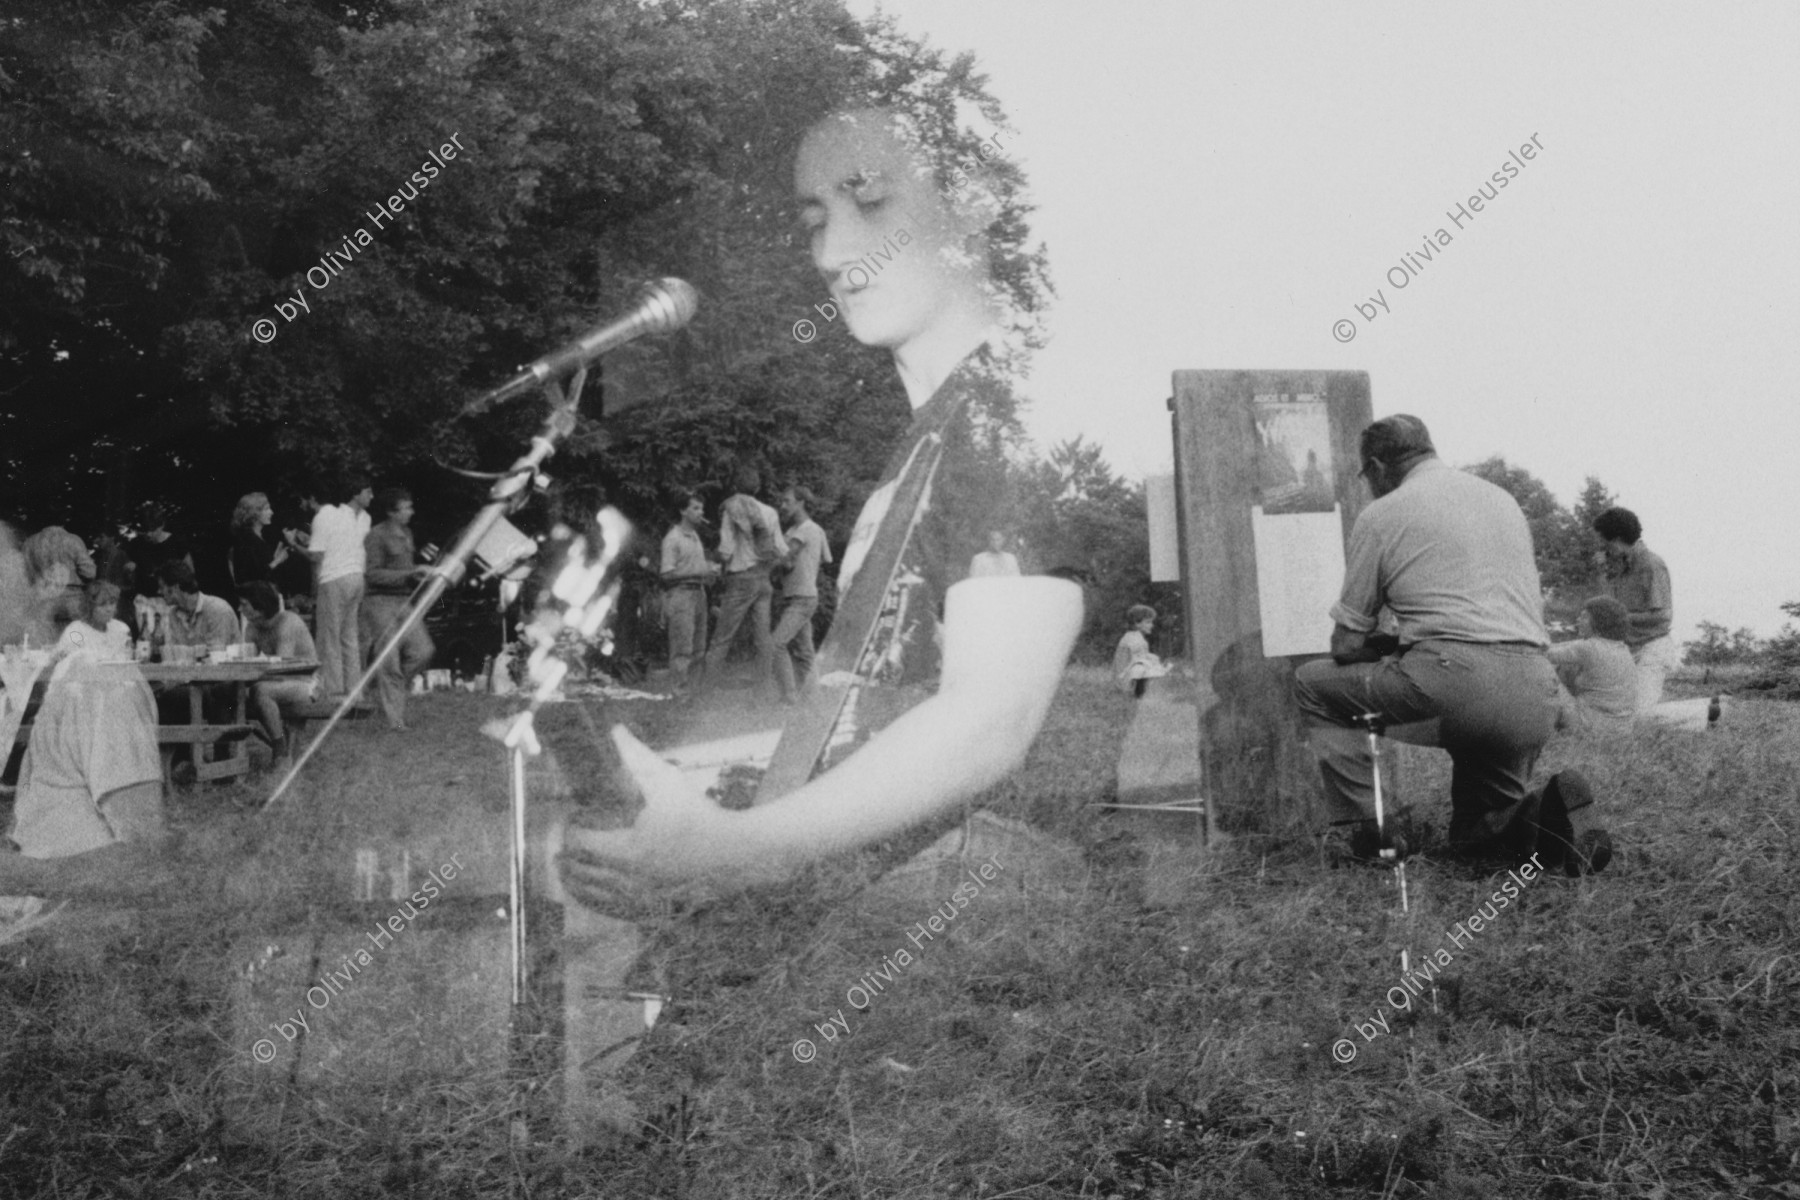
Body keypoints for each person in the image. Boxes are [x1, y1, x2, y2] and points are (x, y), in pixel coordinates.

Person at [559, 105, 1081, 897]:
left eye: (872, 203)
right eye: (814, 223)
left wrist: (740, 848)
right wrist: (713, 785)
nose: (834, 253)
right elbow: (899, 696)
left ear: (969, 202)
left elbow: (993, 719)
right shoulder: (930, 437)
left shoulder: (1001, 417)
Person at [1292, 415, 1611, 875]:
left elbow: (1345, 644)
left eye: (1367, 476)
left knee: (1312, 683)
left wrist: (1388, 648)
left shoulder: (1383, 513)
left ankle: (1373, 827)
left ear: (1378, 466)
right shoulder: (1500, 500)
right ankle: (1552, 815)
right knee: (1479, 835)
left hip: (1453, 684)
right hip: (1534, 690)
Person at [1, 550, 170, 917]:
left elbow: (145, 855)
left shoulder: (99, 682)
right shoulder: (55, 678)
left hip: (74, 922)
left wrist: (17, 876)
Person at [698, 466, 786, 696]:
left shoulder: (732, 508)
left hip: (741, 579)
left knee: (722, 638)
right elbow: (780, 549)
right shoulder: (770, 512)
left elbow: (726, 550)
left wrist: (714, 562)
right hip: (764, 578)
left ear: (735, 486)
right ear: (757, 488)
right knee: (763, 638)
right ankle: (763, 691)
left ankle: (706, 692)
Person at [359, 487, 433, 731]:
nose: (411, 512)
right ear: (392, 512)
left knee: (423, 651)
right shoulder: (375, 536)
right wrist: (411, 573)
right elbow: (373, 574)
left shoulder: (407, 533)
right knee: (389, 661)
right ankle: (395, 722)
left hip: (404, 601)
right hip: (379, 602)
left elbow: (406, 571)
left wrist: (420, 574)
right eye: (406, 508)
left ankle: (387, 693)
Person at [1593, 506, 1675, 712]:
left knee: (1639, 715)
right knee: (1614, 712)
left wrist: (1621, 618)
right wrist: (1603, 572)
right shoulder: (1618, 566)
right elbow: (1608, 606)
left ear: (1618, 539)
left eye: (1605, 541)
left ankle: (1703, 713)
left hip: (1652, 648)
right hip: (1627, 650)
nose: (1602, 547)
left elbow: (1664, 616)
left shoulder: (1651, 564)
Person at [308, 476, 373, 700]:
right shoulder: (364, 518)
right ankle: (355, 691)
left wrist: (296, 545)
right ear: (355, 493)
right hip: (356, 577)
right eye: (368, 492)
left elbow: (316, 554)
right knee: (349, 637)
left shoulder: (328, 515)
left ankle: (334, 691)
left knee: (330, 637)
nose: (371, 496)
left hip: (334, 577)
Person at [237, 580, 319, 756]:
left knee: (261, 691)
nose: (240, 609)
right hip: (280, 683)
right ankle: (232, 754)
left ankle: (279, 747)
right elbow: (245, 663)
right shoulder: (252, 627)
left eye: (244, 604)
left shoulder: (287, 623)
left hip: (308, 684)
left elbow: (283, 669)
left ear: (259, 605)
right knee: (235, 692)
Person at [771, 484, 832, 702]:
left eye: (787, 501)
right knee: (805, 652)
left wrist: (777, 566)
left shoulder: (807, 530)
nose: (782, 506)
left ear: (801, 503)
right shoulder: (793, 532)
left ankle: (789, 697)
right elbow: (825, 559)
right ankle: (815, 698)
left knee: (776, 644)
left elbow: (786, 561)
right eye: (782, 502)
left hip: (802, 598)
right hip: (796, 596)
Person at [1548, 596, 1638, 734]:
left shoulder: (1588, 648)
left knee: (1546, 673)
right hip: (1623, 728)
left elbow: (1546, 654)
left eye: (1584, 617)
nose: (1578, 620)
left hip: (1589, 725)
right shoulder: (1623, 649)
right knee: (1569, 667)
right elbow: (1568, 646)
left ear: (1598, 622)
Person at [659, 492, 716, 696]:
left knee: (699, 648)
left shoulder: (695, 537)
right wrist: (699, 571)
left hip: (699, 594)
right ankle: (679, 693)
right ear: (683, 511)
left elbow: (693, 567)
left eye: (701, 508)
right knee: (682, 649)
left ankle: (694, 693)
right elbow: (666, 574)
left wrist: (708, 569)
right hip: (681, 595)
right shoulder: (672, 538)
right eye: (695, 508)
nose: (701, 512)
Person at [156, 559, 240, 649]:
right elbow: (175, 654)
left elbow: (217, 654)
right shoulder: (173, 615)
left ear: (176, 587)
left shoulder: (217, 609)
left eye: (161, 587)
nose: (159, 591)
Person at [228, 492, 291, 592]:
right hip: (257, 598)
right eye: (266, 509)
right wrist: (277, 561)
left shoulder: (257, 536)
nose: (271, 512)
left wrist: (277, 556)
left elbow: (261, 566)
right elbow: (252, 576)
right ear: (254, 513)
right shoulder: (246, 539)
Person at [1113, 604, 1168, 698]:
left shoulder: (1133, 636)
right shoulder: (1134, 639)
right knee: (1145, 664)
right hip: (1125, 680)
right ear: (1137, 623)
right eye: (1148, 622)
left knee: (1151, 662)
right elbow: (1138, 661)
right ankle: (1139, 694)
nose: (1151, 625)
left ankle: (1144, 691)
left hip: (1123, 677)